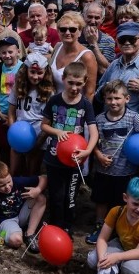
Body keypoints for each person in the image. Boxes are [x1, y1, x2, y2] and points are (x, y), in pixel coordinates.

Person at [89, 80, 139, 244]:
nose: (113, 102)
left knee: (120, 203)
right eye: (109, 99)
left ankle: (118, 230)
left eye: (117, 98)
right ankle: (100, 226)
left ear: (127, 99)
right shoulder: (100, 119)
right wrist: (98, 155)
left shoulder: (134, 118)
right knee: (101, 199)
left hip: (126, 172)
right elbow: (93, 141)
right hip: (103, 170)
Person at [41, 62, 99, 233]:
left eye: (79, 84)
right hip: (54, 158)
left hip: (75, 160)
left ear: (85, 82)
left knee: (70, 196)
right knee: (57, 196)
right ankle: (55, 226)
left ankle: (67, 227)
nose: (74, 87)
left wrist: (88, 151)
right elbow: (44, 125)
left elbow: (94, 131)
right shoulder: (55, 100)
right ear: (64, 79)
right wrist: (57, 132)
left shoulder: (86, 104)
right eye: (70, 83)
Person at [0, 161, 47, 253]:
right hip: (6, 220)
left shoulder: (17, 181)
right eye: (2, 185)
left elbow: (43, 177)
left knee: (40, 198)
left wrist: (37, 190)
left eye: (9, 181)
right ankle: (12, 233)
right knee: (16, 241)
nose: (7, 187)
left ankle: (30, 234)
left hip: (21, 214)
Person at [0, 37, 23, 162]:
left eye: (10, 52)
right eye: (3, 52)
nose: (7, 55)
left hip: (18, 116)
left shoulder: (23, 68)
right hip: (2, 114)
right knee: (3, 146)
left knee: (18, 147)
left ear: (18, 52)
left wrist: (12, 117)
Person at [50, 11, 97, 99]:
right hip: (53, 104)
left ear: (80, 31)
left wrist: (84, 112)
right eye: (63, 29)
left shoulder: (87, 56)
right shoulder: (57, 47)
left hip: (75, 108)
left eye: (72, 29)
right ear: (58, 31)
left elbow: (90, 93)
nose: (67, 33)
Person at [79, 2, 116, 73]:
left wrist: (93, 43)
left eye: (97, 18)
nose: (93, 21)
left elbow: (107, 68)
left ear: (102, 19)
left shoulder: (108, 40)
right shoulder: (75, 37)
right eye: (89, 17)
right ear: (83, 16)